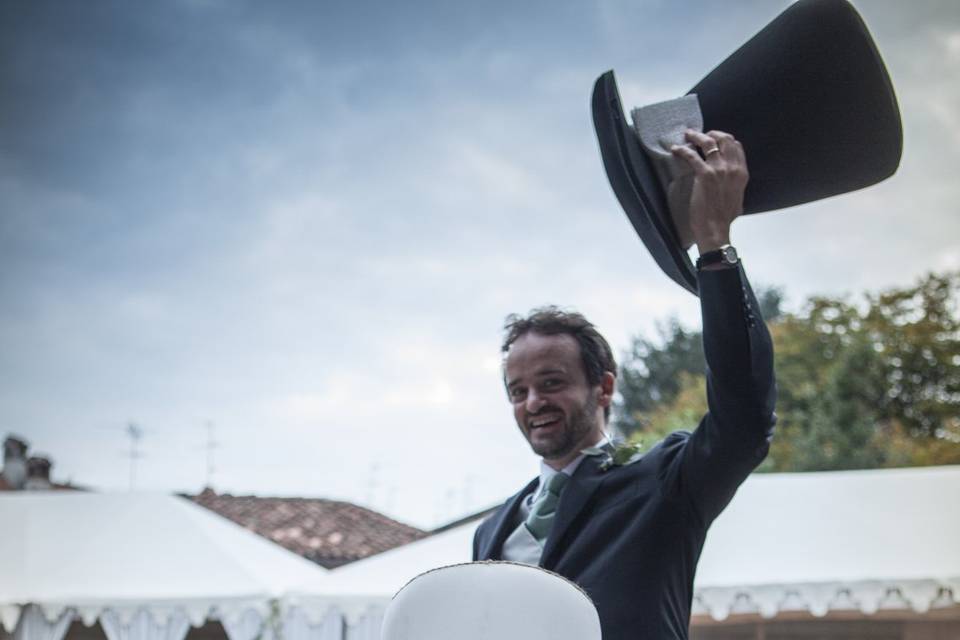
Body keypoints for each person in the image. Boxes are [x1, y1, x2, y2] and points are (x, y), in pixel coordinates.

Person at [472, 130, 777, 640]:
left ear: (603, 386)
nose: (533, 402)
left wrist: (714, 246)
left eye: (551, 382)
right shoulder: (490, 531)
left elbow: (745, 416)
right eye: (517, 391)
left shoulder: (664, 481)